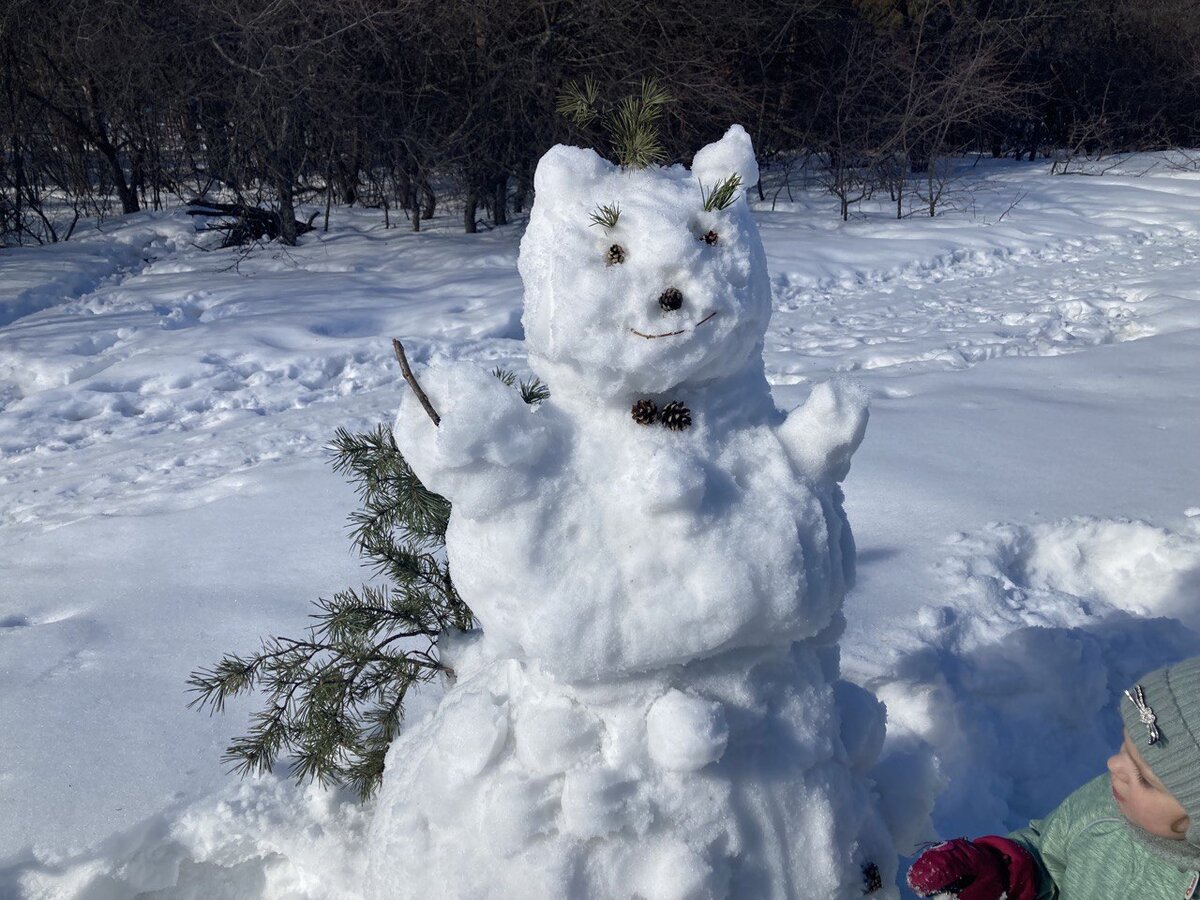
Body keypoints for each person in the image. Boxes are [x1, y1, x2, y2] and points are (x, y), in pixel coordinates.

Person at [906, 656, 1200, 900]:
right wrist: (999, 870)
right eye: (1125, 746)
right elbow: (1047, 854)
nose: (1114, 765)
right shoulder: (1107, 804)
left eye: (1144, 778)